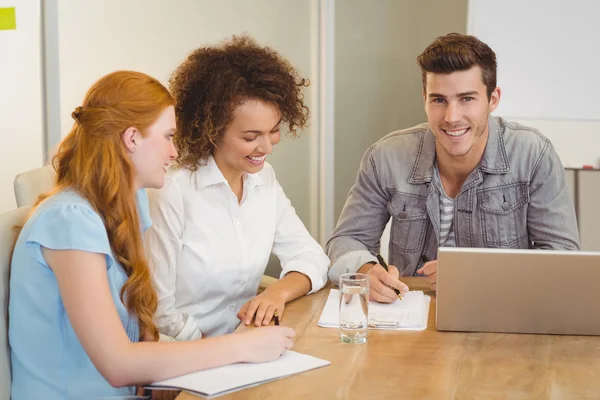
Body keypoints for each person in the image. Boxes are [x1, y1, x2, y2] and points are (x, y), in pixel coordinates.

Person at [8, 70, 295, 400]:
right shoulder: (69, 219)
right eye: (168, 136)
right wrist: (240, 346)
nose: (174, 152)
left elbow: (133, 341)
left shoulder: (127, 205)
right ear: (132, 138)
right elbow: (118, 363)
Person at [327, 33, 580, 300]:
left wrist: (477, 273)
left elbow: (561, 256)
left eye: (467, 99)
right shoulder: (386, 156)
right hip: (408, 314)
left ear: (493, 99)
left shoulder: (533, 154)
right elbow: (345, 241)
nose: (451, 117)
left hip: (501, 310)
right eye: (439, 100)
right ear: (424, 98)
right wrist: (366, 269)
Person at [145, 35, 329, 340]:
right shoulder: (170, 191)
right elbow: (159, 313)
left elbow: (312, 256)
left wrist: (276, 295)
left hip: (245, 345)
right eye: (250, 137)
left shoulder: (263, 178)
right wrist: (225, 353)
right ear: (211, 130)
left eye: (273, 132)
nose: (266, 147)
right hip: (187, 358)